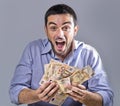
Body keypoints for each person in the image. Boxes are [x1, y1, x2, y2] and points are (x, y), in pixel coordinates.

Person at [9, 4, 113, 106]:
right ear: (46, 30)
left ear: (75, 30)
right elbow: (15, 92)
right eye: (53, 28)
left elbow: (107, 98)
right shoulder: (32, 50)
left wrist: (86, 97)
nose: (60, 34)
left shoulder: (89, 54)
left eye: (66, 28)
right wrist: (37, 95)